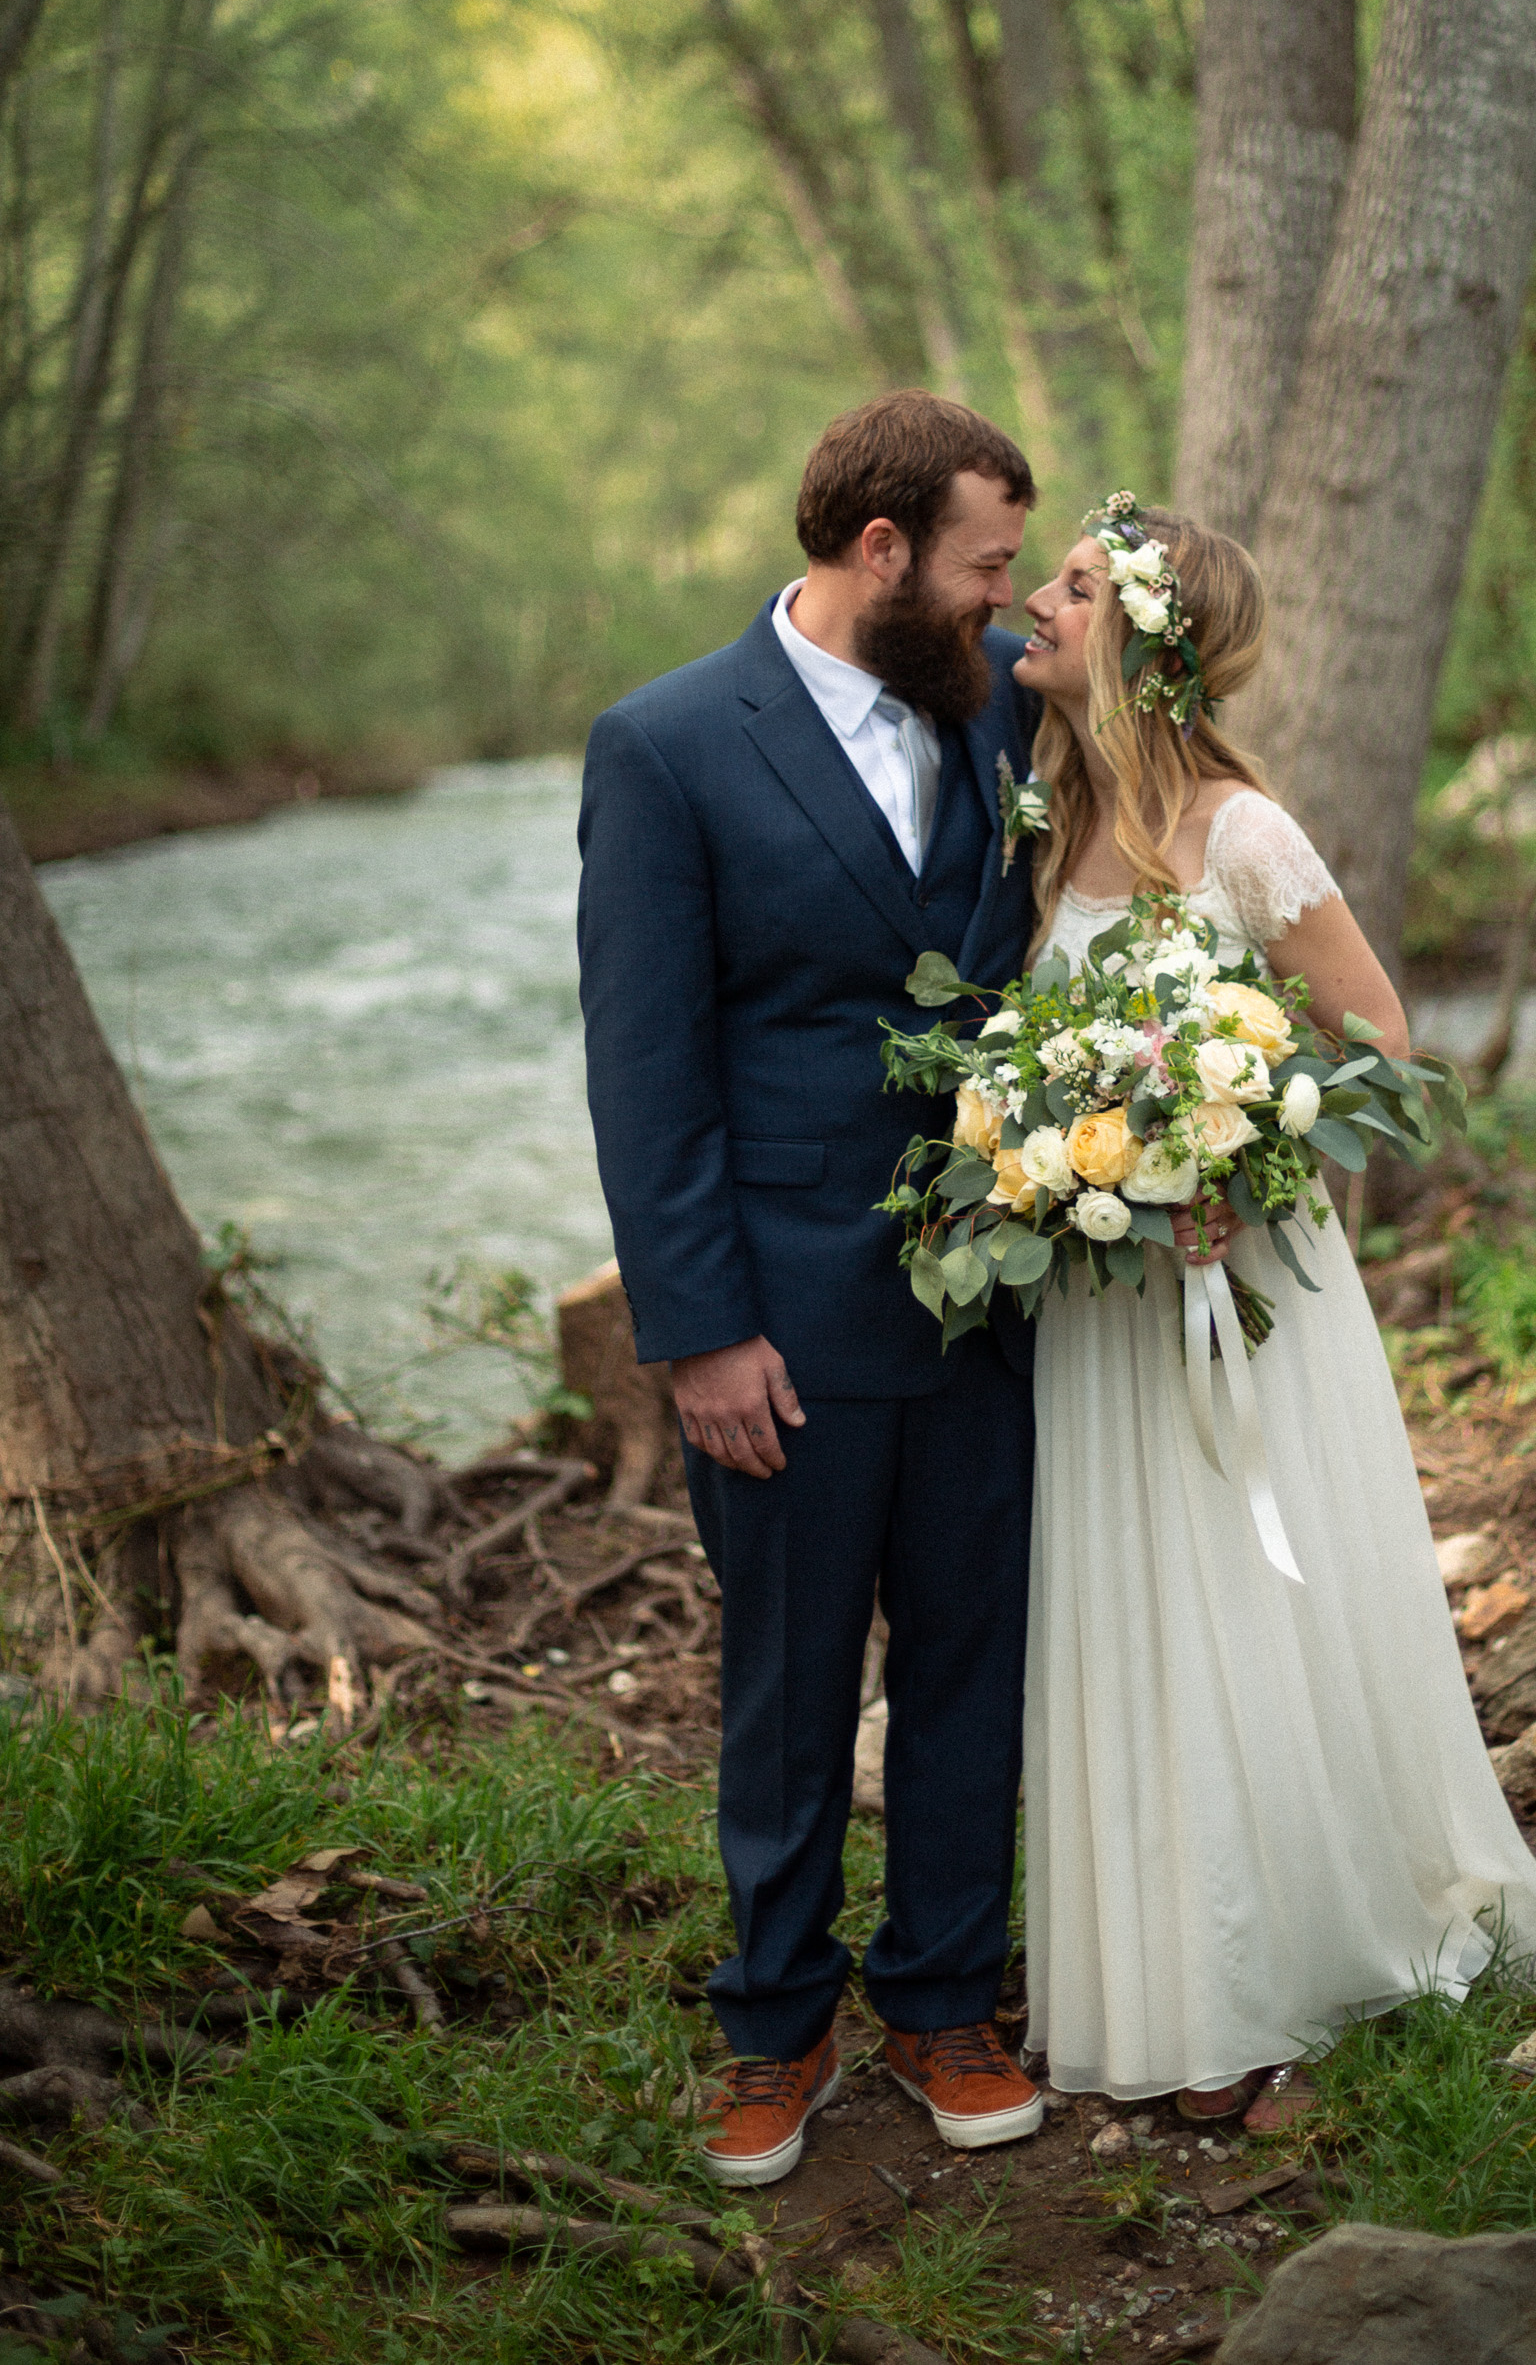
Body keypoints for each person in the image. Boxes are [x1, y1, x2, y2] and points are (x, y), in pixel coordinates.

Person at [1009, 501, 1536, 2129]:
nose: (1037, 596)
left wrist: (1237, 1151)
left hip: (1239, 1296)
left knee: (1245, 1600)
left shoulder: (1241, 834)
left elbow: (1381, 1042)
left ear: (1147, 640)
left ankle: (1284, 1968)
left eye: (1076, 586)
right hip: (1102, 1304)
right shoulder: (1051, 826)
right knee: (1132, 1614)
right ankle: (1167, 1968)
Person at [577, 391, 1054, 2185]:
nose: (1005, 606)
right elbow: (645, 1069)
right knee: (787, 1689)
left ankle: (945, 1995)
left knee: (968, 1664)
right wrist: (696, 1331)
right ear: (884, 554)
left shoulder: (1004, 705)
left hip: (994, 1294)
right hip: (776, 1320)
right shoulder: (669, 745)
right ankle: (773, 2026)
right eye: (985, 566)